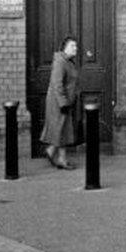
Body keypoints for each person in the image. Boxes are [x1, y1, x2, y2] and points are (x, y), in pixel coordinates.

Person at [41, 36, 80, 169]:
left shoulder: (68, 62)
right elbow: (57, 84)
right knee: (60, 129)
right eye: (72, 46)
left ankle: (56, 155)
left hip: (65, 101)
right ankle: (54, 153)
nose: (75, 48)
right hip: (58, 102)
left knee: (63, 130)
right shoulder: (60, 62)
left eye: (76, 46)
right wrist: (63, 103)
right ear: (64, 48)